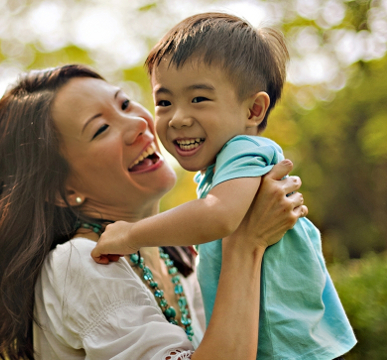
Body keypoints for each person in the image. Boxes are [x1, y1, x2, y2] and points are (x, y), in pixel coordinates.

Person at [0, 64, 307, 360]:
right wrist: (247, 240)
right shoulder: (79, 263)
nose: (137, 124)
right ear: (63, 190)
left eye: (125, 103)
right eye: (100, 129)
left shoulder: (180, 258)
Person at [91, 12, 356, 359]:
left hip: (283, 347)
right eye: (164, 102)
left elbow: (218, 216)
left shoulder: (245, 150)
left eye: (199, 99)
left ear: (253, 110)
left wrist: (130, 235)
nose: (178, 118)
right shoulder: (224, 171)